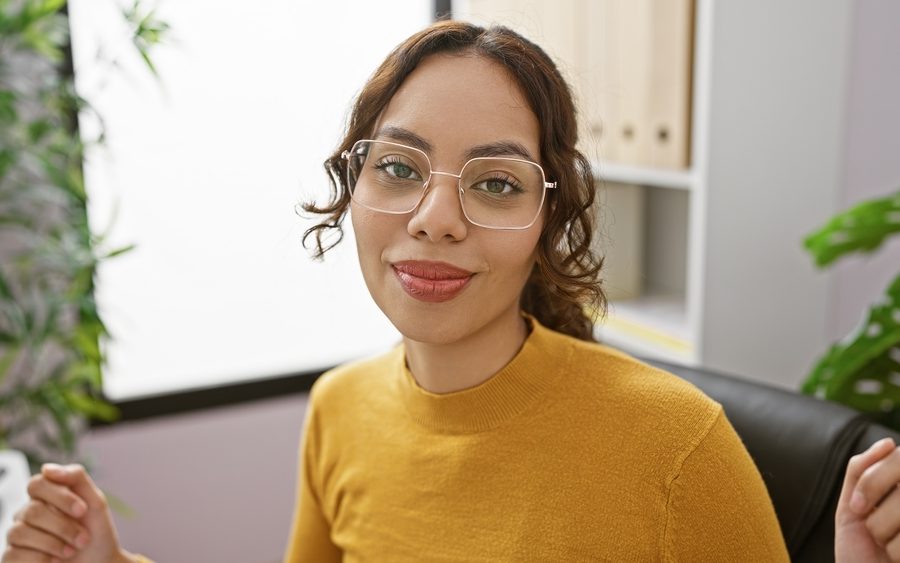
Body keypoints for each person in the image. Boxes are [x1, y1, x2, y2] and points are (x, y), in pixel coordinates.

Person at [2, 19, 899, 563]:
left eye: (495, 183)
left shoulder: (677, 447)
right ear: (353, 187)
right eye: (399, 168)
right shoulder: (338, 408)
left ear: (548, 220)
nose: (434, 219)